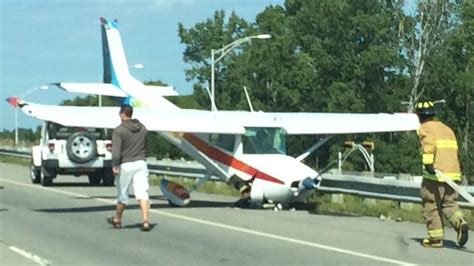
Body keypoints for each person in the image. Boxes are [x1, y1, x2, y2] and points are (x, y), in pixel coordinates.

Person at [415, 100, 469, 248]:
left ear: (419, 116)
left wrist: (428, 163)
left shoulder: (425, 128)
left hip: (435, 174)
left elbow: (429, 146)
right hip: (452, 174)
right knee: (449, 203)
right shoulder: (447, 129)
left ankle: (435, 238)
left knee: (431, 204)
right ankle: (460, 222)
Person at [107, 104, 151, 231]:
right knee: (142, 192)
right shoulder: (142, 128)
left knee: (123, 193)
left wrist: (115, 164)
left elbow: (116, 150)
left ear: (122, 114)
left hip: (126, 164)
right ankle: (145, 221)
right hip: (141, 162)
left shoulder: (119, 130)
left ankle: (117, 219)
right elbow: (146, 145)